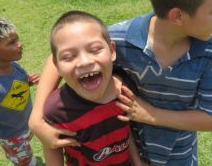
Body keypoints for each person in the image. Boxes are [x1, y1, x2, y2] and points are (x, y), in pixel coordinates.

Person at [29, 0, 212, 165]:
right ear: (177, 16)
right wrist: (36, 119)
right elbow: (57, 58)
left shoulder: (211, 52)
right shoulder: (121, 38)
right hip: (127, 155)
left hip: (178, 157)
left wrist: (151, 114)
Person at [43, 11, 142, 165]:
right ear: (57, 66)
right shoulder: (56, 110)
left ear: (112, 51)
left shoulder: (126, 90)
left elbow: (126, 130)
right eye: (68, 57)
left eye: (95, 49)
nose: (84, 62)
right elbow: (51, 146)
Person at [0, 17, 39, 166]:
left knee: (26, 148)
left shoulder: (15, 65)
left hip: (27, 123)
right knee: (23, 161)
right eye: (12, 43)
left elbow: (12, 87)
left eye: (17, 39)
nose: (20, 44)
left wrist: (27, 82)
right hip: (11, 136)